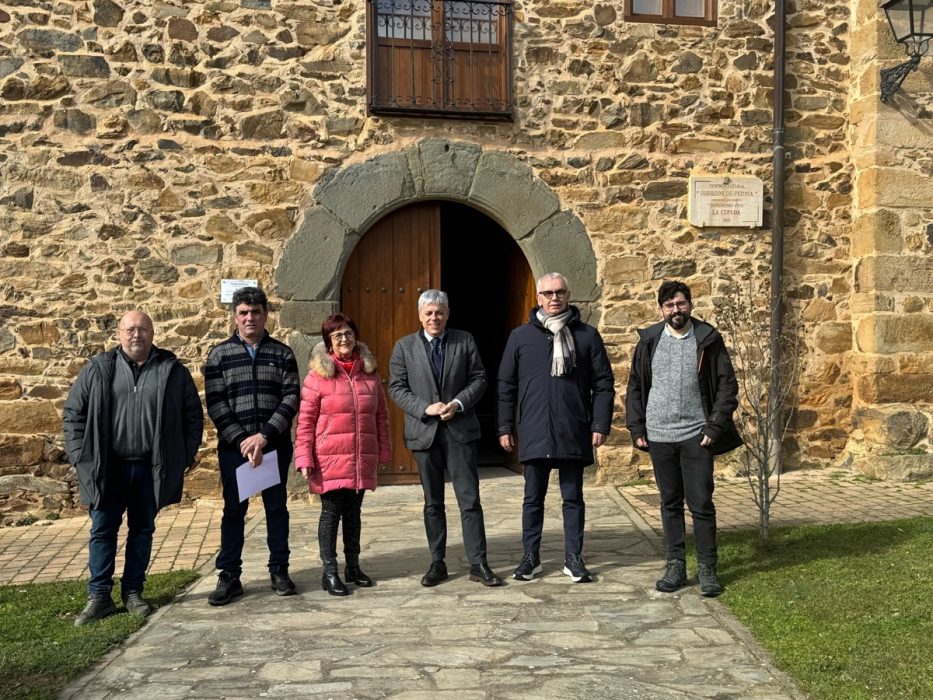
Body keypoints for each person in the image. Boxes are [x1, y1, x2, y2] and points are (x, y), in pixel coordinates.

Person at [63, 310, 203, 626]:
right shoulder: (99, 369)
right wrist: (78, 456)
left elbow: (192, 416)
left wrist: (183, 456)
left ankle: (133, 592)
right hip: (107, 469)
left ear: (152, 333)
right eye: (130, 329)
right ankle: (99, 597)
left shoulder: (172, 371)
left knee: (142, 531)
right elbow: (73, 414)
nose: (136, 335)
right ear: (119, 334)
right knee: (102, 530)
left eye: (142, 329)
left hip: (149, 469)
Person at [625, 280, 742, 597]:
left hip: (696, 436)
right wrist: (637, 429)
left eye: (680, 303)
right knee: (670, 503)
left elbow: (726, 387)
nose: (675, 310)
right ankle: (675, 565)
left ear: (690, 304)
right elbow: (635, 387)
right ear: (661, 309)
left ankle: (707, 568)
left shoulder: (707, 339)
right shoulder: (649, 341)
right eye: (669, 305)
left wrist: (713, 428)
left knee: (701, 503)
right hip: (660, 436)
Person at [497, 272, 614, 583]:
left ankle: (574, 558)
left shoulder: (587, 336)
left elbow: (603, 384)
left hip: (573, 429)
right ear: (538, 298)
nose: (553, 298)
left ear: (568, 295)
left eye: (559, 292)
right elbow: (506, 384)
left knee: (573, 498)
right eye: (547, 293)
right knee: (532, 499)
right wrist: (504, 426)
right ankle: (530, 558)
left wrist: (600, 423)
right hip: (534, 430)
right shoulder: (520, 337)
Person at [389, 290, 503, 587]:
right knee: (433, 503)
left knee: (470, 501)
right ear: (420, 315)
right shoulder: (404, 347)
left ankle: (478, 563)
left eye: (439, 312)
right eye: (428, 312)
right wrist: (424, 408)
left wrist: (459, 403)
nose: (434, 317)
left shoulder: (464, 341)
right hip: (424, 435)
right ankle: (437, 562)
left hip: (460, 432)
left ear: (447, 314)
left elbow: (479, 378)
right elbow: (397, 388)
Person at [204, 286, 301, 605]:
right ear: (235, 316)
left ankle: (279, 570)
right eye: (244, 312)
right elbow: (216, 403)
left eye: (256, 312)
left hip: (273, 447)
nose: (250, 318)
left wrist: (264, 436)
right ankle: (229, 575)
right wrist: (242, 439)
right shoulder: (219, 355)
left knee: (276, 508)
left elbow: (291, 398)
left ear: (265, 315)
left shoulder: (282, 353)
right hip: (235, 450)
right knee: (234, 510)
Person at [294, 314, 392, 596]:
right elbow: (305, 421)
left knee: (353, 513)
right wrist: (304, 458)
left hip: (361, 457)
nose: (344, 340)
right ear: (328, 342)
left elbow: (381, 417)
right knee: (331, 513)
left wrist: (383, 450)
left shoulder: (369, 373)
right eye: (337, 336)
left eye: (348, 333)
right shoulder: (317, 377)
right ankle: (329, 571)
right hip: (329, 457)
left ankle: (353, 566)